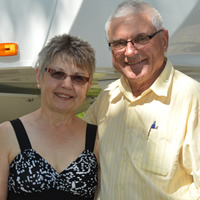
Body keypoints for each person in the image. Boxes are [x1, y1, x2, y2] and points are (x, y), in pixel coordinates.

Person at [83, 1, 200, 199]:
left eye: (141, 38)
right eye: (119, 43)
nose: (130, 51)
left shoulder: (192, 98)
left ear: (164, 40)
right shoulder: (107, 98)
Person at [0, 34, 99, 200]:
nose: (67, 85)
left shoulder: (96, 139)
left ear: (88, 85)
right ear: (39, 77)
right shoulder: (6, 134)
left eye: (78, 78)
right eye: (58, 73)